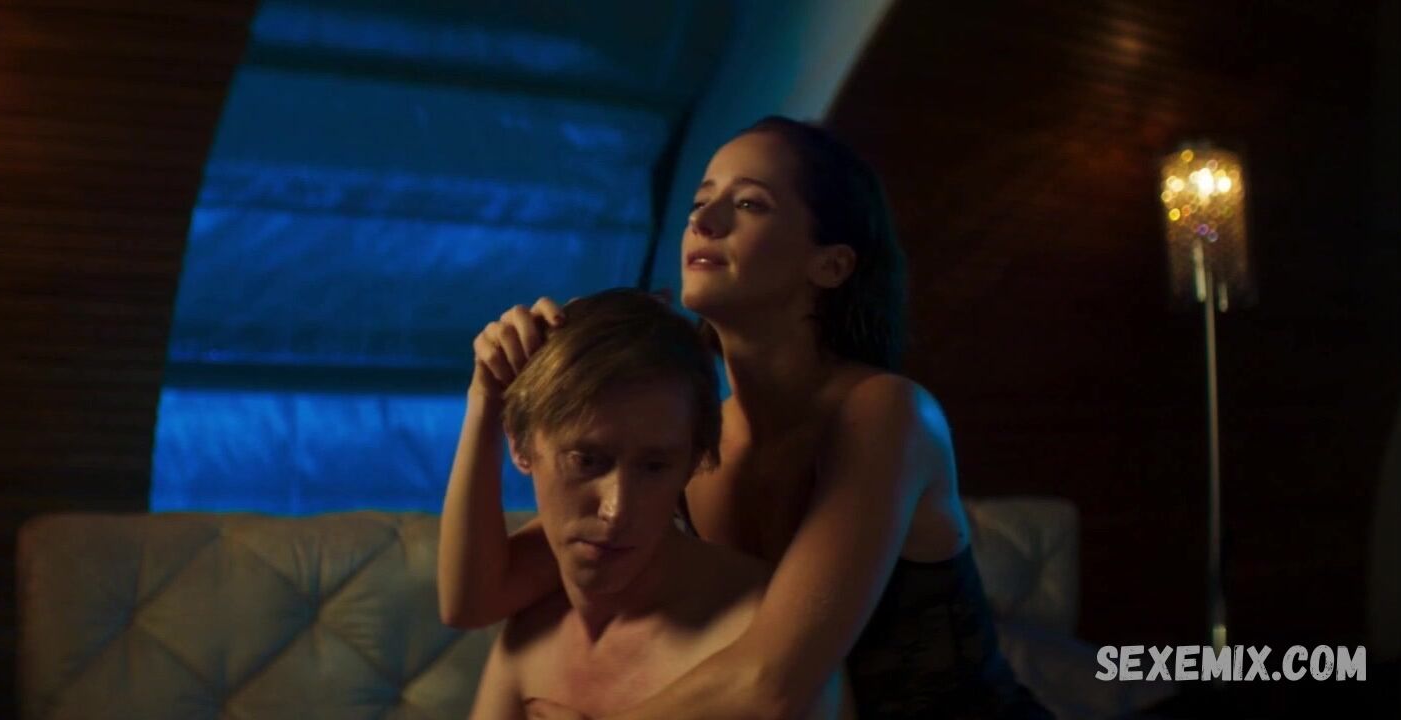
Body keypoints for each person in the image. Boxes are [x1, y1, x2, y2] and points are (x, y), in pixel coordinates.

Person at [441, 116, 1051, 719]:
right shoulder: (688, 439)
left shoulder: (885, 414)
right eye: (700, 202)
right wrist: (487, 396)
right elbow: (474, 599)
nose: (703, 221)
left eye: (750, 203)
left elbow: (769, 685)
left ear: (832, 265)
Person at [460, 289, 847, 719]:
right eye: (587, 461)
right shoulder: (535, 624)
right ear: (520, 445)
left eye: (655, 467)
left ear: (691, 464)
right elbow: (463, 602)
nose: (616, 510)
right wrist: (483, 396)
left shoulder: (764, 642)